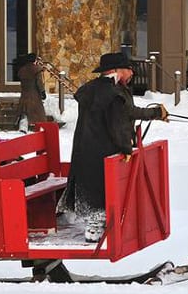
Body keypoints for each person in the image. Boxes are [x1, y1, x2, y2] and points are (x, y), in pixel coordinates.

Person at [59, 52, 168, 242]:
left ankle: (94, 223)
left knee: (93, 188)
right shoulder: (113, 93)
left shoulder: (92, 89)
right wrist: (126, 147)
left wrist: (155, 113)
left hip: (85, 149)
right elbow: (119, 123)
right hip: (105, 149)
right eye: (129, 69)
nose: (132, 73)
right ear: (116, 70)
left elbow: (126, 113)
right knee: (102, 189)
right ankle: (95, 229)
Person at [13, 53, 50, 127]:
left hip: (24, 93)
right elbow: (39, 82)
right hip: (34, 93)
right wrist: (42, 92)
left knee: (23, 110)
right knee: (38, 113)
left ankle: (22, 123)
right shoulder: (36, 69)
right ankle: (38, 125)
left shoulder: (22, 70)